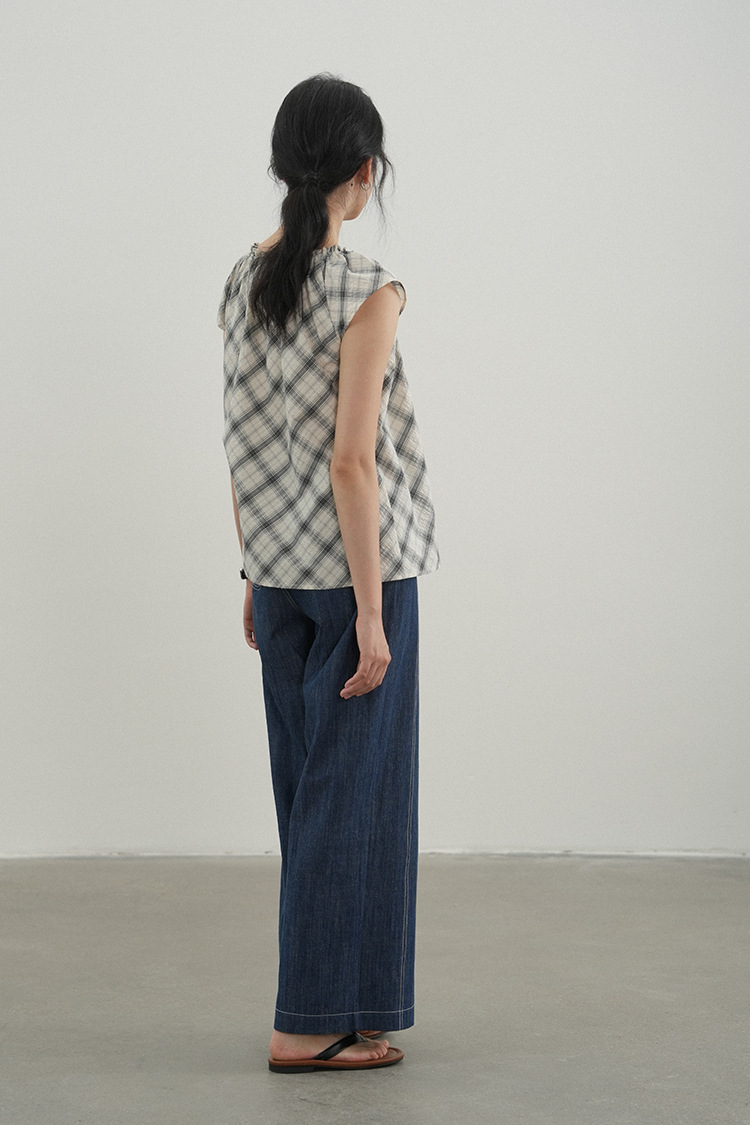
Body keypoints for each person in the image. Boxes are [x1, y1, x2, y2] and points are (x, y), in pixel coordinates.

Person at [217, 74, 439, 1074]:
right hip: (359, 579)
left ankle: (341, 1010)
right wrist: (373, 616)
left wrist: (254, 570)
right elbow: (353, 462)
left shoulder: (241, 279)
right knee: (357, 804)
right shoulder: (367, 289)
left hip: (278, 576)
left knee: (313, 799)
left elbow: (240, 441)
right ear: (365, 171)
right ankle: (307, 1022)